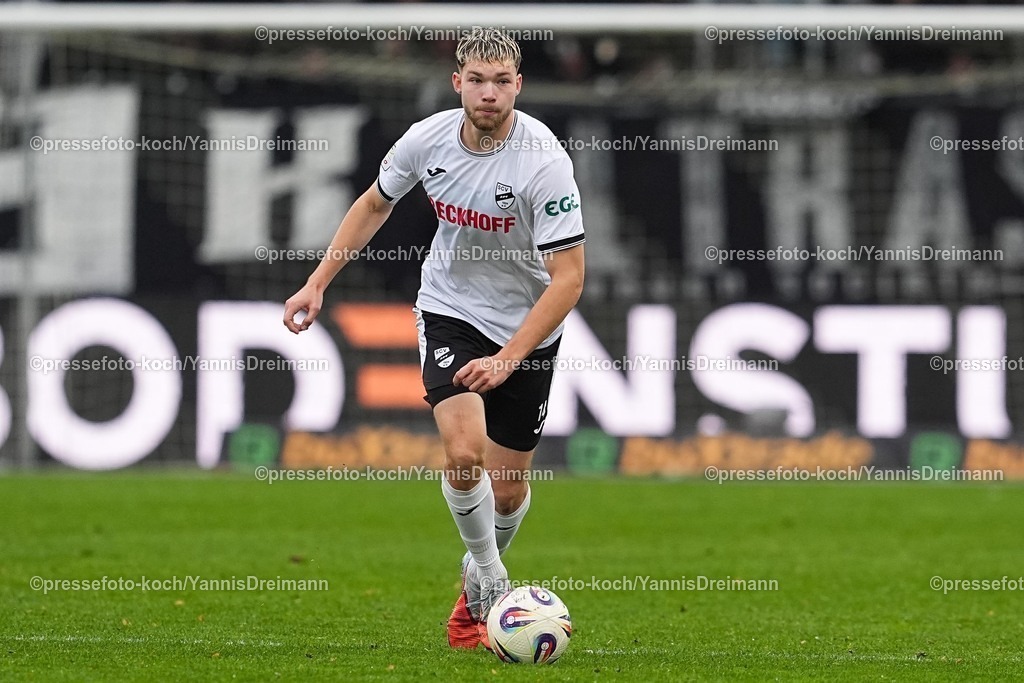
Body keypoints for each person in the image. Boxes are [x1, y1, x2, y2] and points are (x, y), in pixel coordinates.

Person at [282, 27, 585, 650]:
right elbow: (373, 204)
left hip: (528, 328)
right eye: (477, 80)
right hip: (450, 308)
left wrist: (508, 359)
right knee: (464, 450)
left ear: (518, 86)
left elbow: (569, 279)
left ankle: (472, 586)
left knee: (508, 489)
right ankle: (494, 583)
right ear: (458, 83)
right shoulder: (427, 138)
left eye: (502, 82)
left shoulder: (546, 163)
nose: (489, 93)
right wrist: (317, 283)